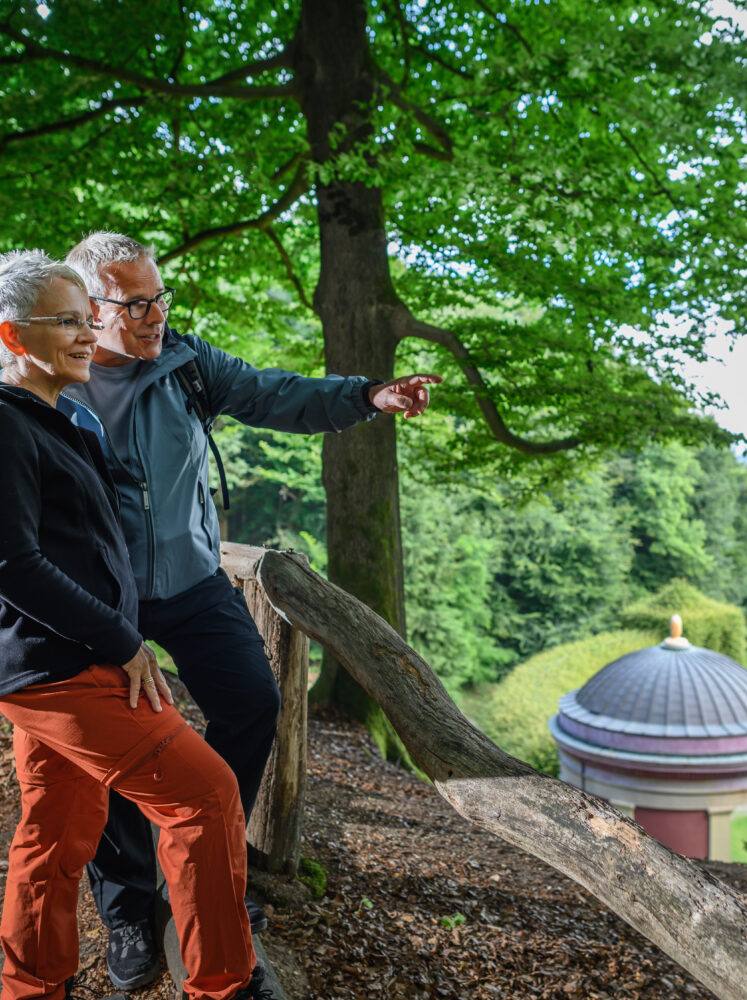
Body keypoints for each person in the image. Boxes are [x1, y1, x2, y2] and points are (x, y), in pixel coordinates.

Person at [61, 231, 440, 990]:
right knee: (111, 748)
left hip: (193, 580)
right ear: (90, 308)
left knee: (253, 702)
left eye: (159, 298)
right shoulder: (50, 378)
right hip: (102, 594)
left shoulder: (187, 364)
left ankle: (203, 865)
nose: (155, 316)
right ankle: (127, 907)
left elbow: (272, 393)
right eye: (135, 304)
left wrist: (367, 395)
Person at [0, 250, 271, 1000]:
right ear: (13, 335)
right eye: (68, 321)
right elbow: (14, 565)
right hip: (60, 669)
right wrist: (124, 642)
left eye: (89, 319)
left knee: (56, 830)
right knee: (204, 795)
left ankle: (29, 988)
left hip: (61, 662)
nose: (89, 334)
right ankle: (225, 985)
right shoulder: (8, 424)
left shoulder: (58, 418)